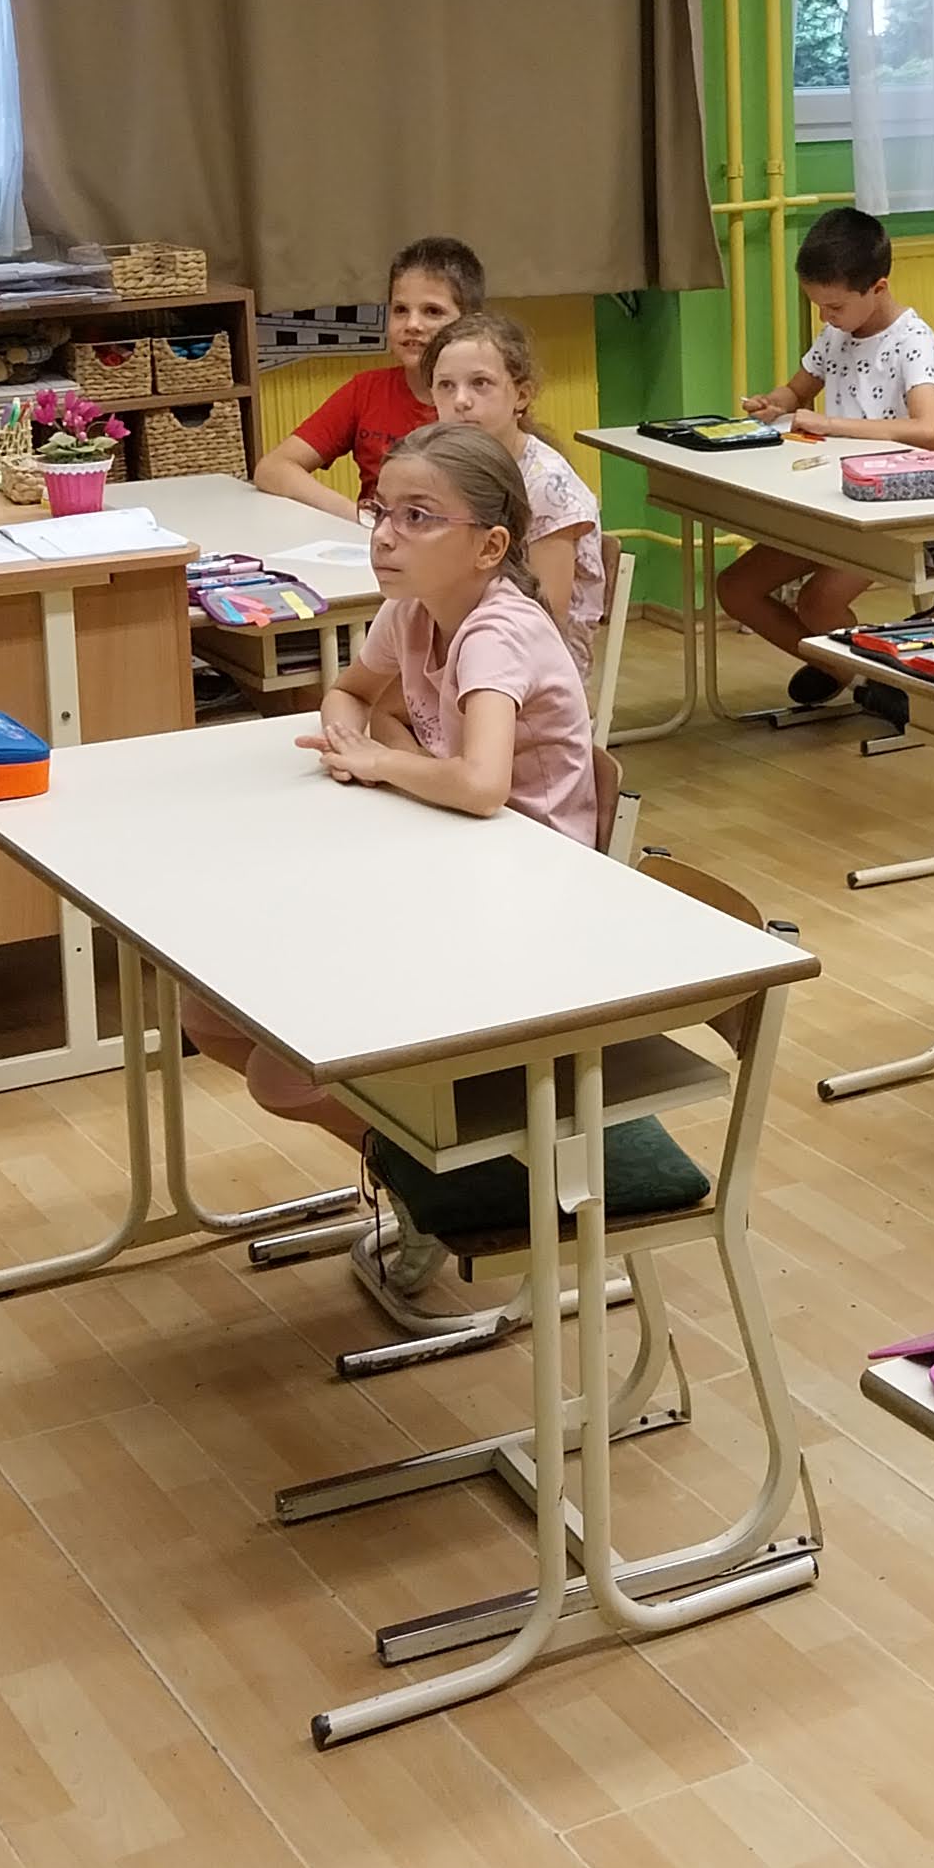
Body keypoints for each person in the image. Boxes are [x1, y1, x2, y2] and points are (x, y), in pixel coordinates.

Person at [181, 423, 600, 1320]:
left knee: (284, 1074)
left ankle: (444, 1183)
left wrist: (380, 759)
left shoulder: (496, 632)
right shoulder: (412, 610)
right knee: (208, 1015)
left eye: (418, 517)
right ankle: (422, 1175)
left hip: (528, 909)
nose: (384, 536)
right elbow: (347, 693)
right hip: (443, 864)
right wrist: (351, 737)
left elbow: (482, 786)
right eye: (381, 511)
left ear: (489, 546)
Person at [722, 206, 934, 725]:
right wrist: (773, 403)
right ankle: (849, 671)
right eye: (818, 306)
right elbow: (797, 390)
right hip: (829, 502)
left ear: (878, 288)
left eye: (835, 306)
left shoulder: (911, 340)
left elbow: (927, 429)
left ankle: (887, 682)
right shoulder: (837, 334)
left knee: (818, 602)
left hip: (887, 510)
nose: (826, 317)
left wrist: (831, 425)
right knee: (735, 587)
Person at [421, 307, 607, 659]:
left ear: (521, 395)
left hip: (535, 662)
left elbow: (547, 617)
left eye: (480, 383)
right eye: (446, 386)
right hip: (466, 633)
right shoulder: (447, 465)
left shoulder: (546, 485)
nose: (460, 400)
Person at [257, 236, 485, 511]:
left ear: (470, 323)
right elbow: (273, 468)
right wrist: (358, 518)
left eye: (432, 311)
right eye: (400, 310)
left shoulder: (484, 402)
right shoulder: (367, 390)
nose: (412, 324)